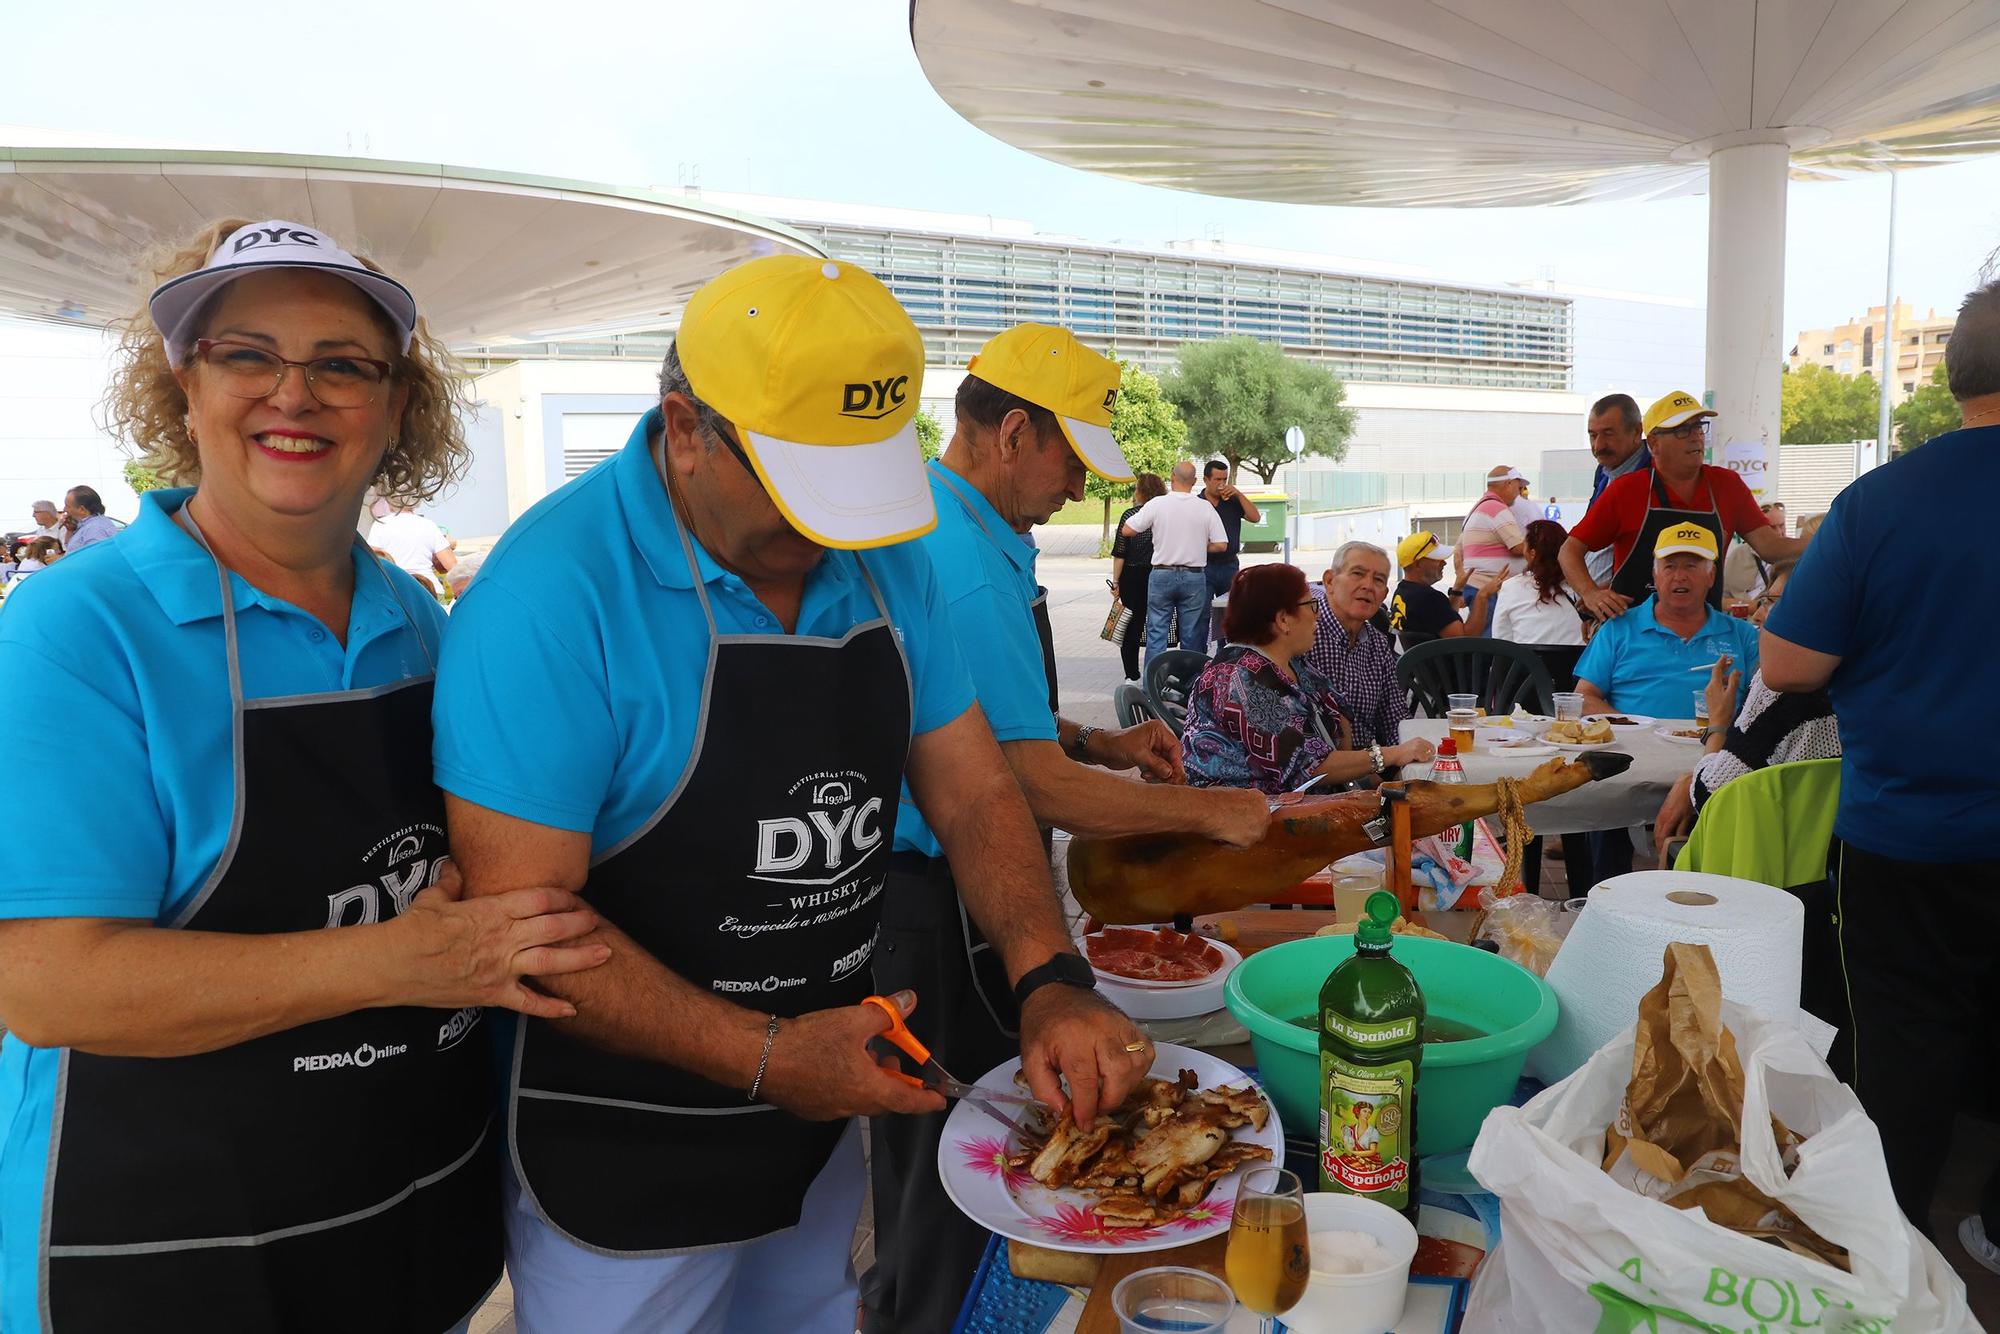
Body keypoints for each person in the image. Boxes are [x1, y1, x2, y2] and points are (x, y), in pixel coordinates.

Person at [432, 261, 1144, 1334]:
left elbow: (972, 789)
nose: (825, 534)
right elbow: (522, 925)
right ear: (685, 426)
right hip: (626, 1150)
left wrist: (1046, 975)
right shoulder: (552, 593)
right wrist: (766, 1055)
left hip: (818, 1114)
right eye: (796, 489)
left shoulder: (881, 556)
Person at [0, 217, 607, 1333]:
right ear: (183, 386)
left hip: (403, 1220)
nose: (295, 394)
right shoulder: (82, 629)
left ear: (395, 410)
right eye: (246, 355)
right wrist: (393, 958)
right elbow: (45, 982)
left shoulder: (420, 621)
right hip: (159, 1250)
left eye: (342, 365)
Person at [870, 323, 1268, 1333]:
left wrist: (1095, 736)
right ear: (1010, 432)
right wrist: (1210, 811)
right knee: (947, 1166)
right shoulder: (954, 553)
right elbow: (1022, 785)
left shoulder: (957, 522)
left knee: (934, 1150)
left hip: (944, 888)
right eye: (1066, 459)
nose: (1072, 489)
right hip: (935, 898)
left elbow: (967, 711)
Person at [1759, 277, 2000, 1261]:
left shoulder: (1878, 502)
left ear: (1948, 377)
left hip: (1903, 836)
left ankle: (1885, 1241)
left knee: (1901, 1040)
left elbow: (1785, 664)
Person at [1181, 563, 1435, 792]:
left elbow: (1338, 712)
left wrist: (1363, 778)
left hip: (1305, 800)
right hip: (1253, 818)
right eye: (1311, 605)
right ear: (1283, 620)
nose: (1318, 615)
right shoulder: (1242, 679)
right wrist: (1391, 755)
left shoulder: (1291, 663)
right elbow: (1309, 766)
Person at [1561, 390, 1804, 619]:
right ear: (1654, 442)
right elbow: (1569, 551)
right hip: (1633, 633)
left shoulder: (1726, 485)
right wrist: (1591, 594)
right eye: (1682, 430)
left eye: (1698, 427)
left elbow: (1771, 547)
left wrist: (1831, 537)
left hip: (1704, 631)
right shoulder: (1627, 490)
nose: (1695, 437)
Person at [1650, 561, 1839, 841]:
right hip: (1830, 861)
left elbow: (1712, 795)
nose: (1758, 615)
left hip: (1759, 861)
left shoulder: (1778, 686)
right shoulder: (1863, 680)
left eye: (1771, 602)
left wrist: (1717, 724)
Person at [1574, 523, 1758, 720]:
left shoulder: (1744, 635)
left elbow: (1766, 702)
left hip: (1718, 747)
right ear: (1655, 576)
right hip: (1636, 748)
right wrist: (1632, 728)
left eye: (1691, 566)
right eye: (1669, 566)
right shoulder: (1618, 629)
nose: (1680, 577)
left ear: (1711, 576)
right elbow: (1583, 698)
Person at [1305, 542, 1407, 750]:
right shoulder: (1304, 635)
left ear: (1385, 593)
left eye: (1378, 580)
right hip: (1316, 771)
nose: (1368, 586)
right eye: (1357, 574)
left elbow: (1395, 718)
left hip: (1368, 766)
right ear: (1330, 581)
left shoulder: (1377, 644)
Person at [1121, 460, 1227, 657]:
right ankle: (1189, 683)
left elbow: (1127, 530)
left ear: (1172, 478)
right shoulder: (1204, 507)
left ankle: (1154, 684)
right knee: (1191, 635)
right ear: (1195, 481)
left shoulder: (1157, 504)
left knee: (1157, 633)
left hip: (1162, 574)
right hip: (1194, 577)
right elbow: (1221, 544)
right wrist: (1198, 545)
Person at [1582, 393, 1652, 584]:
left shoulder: (1656, 476)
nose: (1598, 445)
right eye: (1593, 435)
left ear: (1637, 432)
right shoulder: (1604, 472)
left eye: (1608, 434)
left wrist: (1621, 586)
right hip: (1591, 604)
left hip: (1628, 606)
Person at [1389, 530, 1501, 644]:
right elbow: (1466, 639)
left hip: (1421, 660)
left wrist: (1458, 589)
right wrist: (1482, 596)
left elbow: (1445, 620)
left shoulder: (1402, 592)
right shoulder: (1429, 598)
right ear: (1418, 564)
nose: (1444, 563)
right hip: (1446, 661)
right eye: (1437, 558)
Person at [1490, 519, 1584, 646]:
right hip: (1577, 664)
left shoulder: (1511, 587)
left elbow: (1501, 641)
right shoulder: (1584, 587)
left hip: (1526, 664)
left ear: (1533, 553)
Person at [1110, 472, 1167, 679]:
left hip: (1132, 577)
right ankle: (1156, 675)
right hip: (1159, 573)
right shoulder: (1165, 515)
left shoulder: (1130, 516)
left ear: (1141, 491)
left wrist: (1115, 582)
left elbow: (1120, 553)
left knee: (1130, 627)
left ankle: (1131, 676)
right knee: (1158, 626)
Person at [1456, 465, 1529, 600]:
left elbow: (1458, 554)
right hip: (1489, 591)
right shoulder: (1497, 508)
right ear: (1509, 483)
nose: (1519, 493)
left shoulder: (1476, 509)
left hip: (1476, 587)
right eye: (1518, 487)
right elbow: (1518, 547)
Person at [1201, 457, 1262, 614]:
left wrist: (1239, 494)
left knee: (1231, 613)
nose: (1221, 484)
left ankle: (1226, 640)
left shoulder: (1233, 501)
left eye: (1224, 479)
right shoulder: (1198, 503)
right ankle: (1204, 640)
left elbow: (1255, 517)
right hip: (1204, 565)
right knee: (1202, 613)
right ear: (1206, 480)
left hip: (1229, 565)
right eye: (1217, 479)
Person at [370, 496, 458, 589]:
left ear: (389, 499)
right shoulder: (428, 525)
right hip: (428, 589)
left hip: (395, 589)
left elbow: (371, 560)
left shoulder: (380, 524)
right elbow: (452, 567)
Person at [1724, 502, 1787, 602]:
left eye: (1782, 525)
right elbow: (1721, 598)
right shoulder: (1738, 555)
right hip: (1741, 615)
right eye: (1772, 527)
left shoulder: (1792, 556)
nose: (1779, 533)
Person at [60, 485, 119, 553]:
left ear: (82, 509)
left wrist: (60, 559)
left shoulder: (95, 528)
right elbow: (72, 549)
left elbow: (95, 559)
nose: (65, 509)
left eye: (67, 506)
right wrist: (70, 531)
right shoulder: (90, 525)